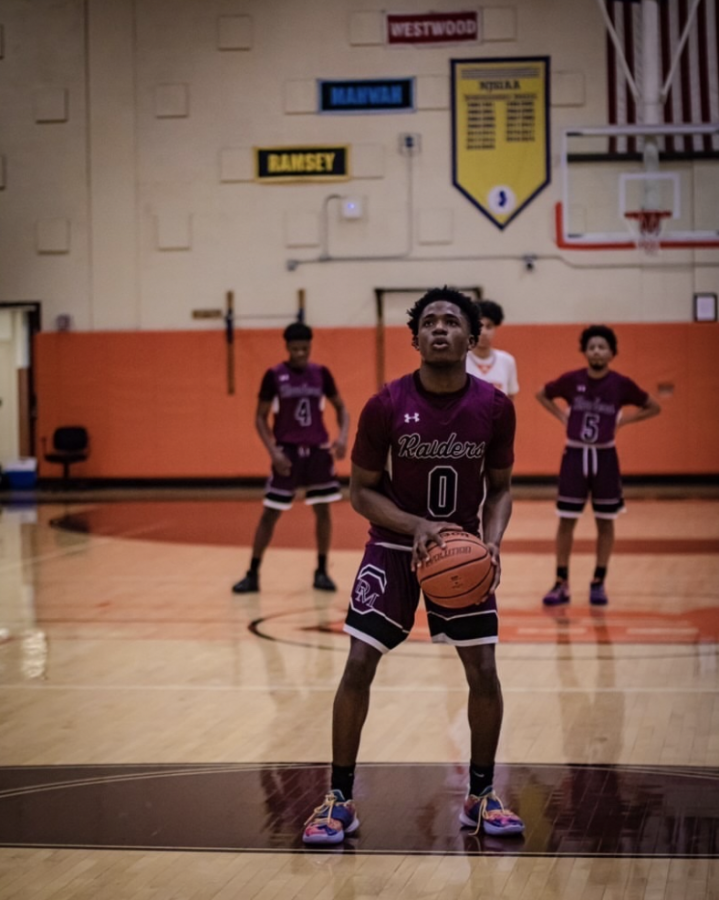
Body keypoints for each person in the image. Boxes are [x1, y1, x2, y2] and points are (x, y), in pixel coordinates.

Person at [302, 287, 525, 845]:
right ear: (416, 337)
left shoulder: (495, 406)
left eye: (452, 321)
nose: (440, 329)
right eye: (429, 322)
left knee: (483, 671)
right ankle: (338, 798)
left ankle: (480, 794)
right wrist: (415, 525)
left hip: (463, 551)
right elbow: (360, 493)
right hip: (395, 548)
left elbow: (500, 490)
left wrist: (492, 542)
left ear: (472, 339)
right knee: (358, 662)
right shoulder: (386, 404)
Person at [536, 324, 661, 607]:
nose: (596, 351)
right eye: (591, 346)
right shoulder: (571, 380)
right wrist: (561, 416)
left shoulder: (621, 384)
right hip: (575, 456)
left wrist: (624, 420)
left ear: (612, 352)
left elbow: (653, 406)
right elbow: (541, 393)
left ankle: (598, 581)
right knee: (566, 520)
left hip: (605, 457)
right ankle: (561, 582)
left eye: (602, 347)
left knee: (606, 522)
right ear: (584, 351)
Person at [232, 321, 350, 594]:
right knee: (270, 514)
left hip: (318, 452)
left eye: (305, 348)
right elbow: (259, 418)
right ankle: (252, 574)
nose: (300, 353)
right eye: (295, 349)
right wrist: (273, 451)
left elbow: (342, 408)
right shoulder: (274, 375)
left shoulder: (321, 373)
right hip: (287, 452)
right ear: (286, 347)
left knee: (323, 510)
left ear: (310, 346)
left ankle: (321, 571)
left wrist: (342, 436)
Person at [465, 299, 519, 399]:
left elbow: (510, 398)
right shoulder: (460, 360)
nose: (484, 332)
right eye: (479, 326)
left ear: (495, 328)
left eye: (489, 326)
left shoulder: (507, 361)